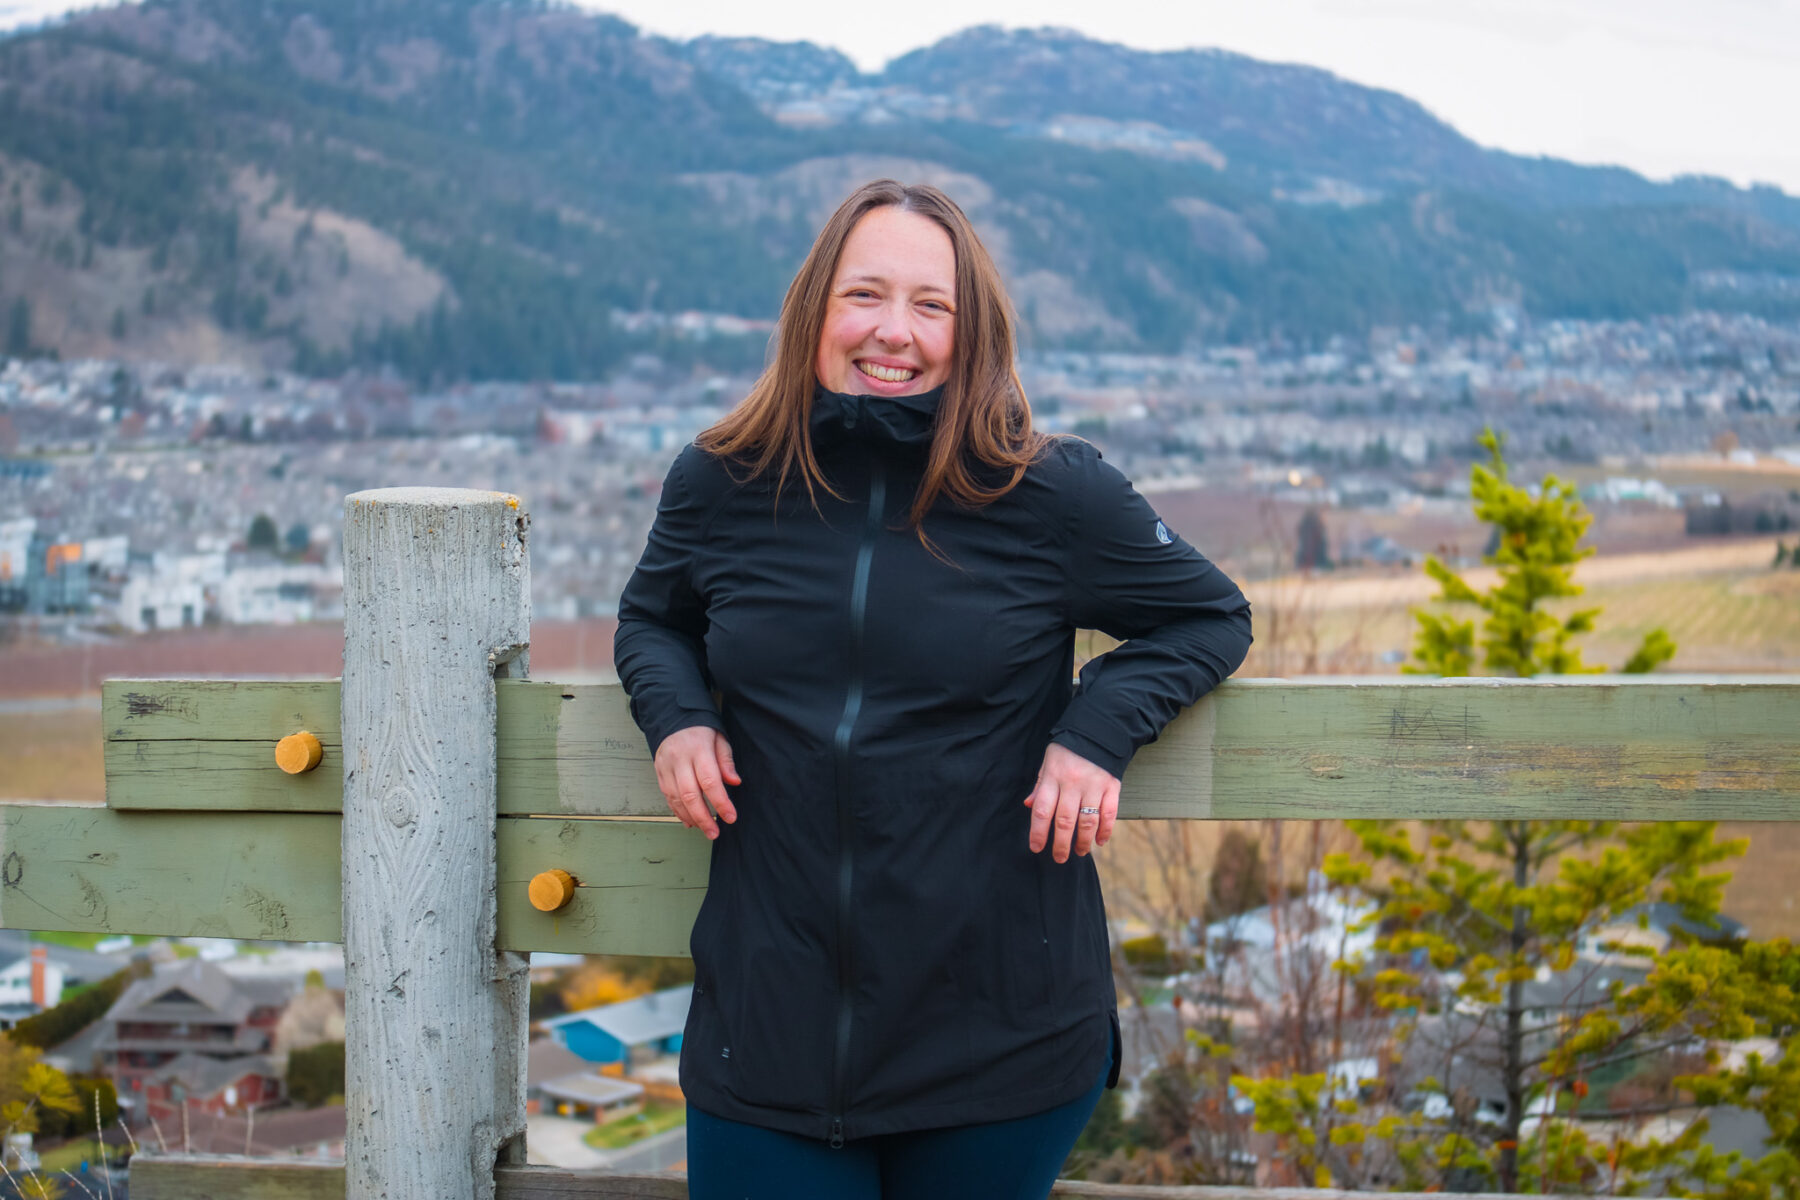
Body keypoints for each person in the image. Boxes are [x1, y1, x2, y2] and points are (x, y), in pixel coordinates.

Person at [614, 180, 1253, 1199]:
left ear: (975, 333)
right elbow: (652, 618)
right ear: (815, 309)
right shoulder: (723, 480)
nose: (895, 334)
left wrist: (1097, 728)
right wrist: (677, 715)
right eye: (866, 295)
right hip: (766, 1035)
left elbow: (1211, 616)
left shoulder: (1051, 493)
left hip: (998, 1041)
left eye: (932, 306)